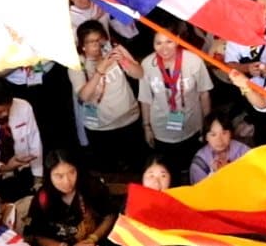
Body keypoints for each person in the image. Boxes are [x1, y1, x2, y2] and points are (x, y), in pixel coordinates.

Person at [68, 20, 143, 170]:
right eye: (90, 42)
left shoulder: (116, 50)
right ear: (82, 45)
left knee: (136, 166)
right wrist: (99, 71)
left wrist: (123, 61)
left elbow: (139, 74)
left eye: (99, 39)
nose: (96, 45)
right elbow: (83, 96)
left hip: (130, 119)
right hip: (102, 128)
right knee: (109, 169)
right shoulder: (78, 63)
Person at [139, 29, 213, 177]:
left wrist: (208, 124)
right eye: (158, 43)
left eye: (169, 41)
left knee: (193, 167)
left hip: (192, 125)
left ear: (178, 40)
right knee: (169, 170)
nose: (164, 48)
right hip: (161, 128)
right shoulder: (148, 64)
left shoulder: (194, 61)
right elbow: (145, 98)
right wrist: (147, 127)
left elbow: (204, 93)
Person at [188, 111, 250, 184]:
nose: (219, 140)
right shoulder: (200, 162)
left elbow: (254, 177)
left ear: (230, 134)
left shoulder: (243, 150)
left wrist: (230, 170)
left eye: (224, 133)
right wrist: (215, 174)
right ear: (206, 137)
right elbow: (199, 191)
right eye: (213, 135)